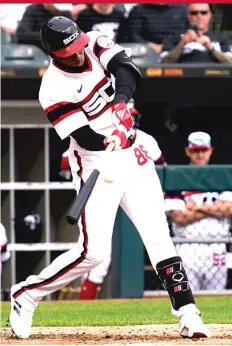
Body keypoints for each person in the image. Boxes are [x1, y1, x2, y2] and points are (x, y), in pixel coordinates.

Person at [9, 16, 210, 339]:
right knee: (94, 252)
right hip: (94, 160)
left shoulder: (94, 40)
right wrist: (106, 140)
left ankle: (188, 312)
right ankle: (27, 294)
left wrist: (120, 104)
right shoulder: (52, 89)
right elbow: (84, 137)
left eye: (78, 47)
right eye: (69, 51)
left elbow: (127, 70)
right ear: (53, 52)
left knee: (158, 234)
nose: (78, 54)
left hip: (131, 155)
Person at [59, 100, 167, 299]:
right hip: (103, 194)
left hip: (133, 196)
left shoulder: (145, 139)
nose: (129, 119)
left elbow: (161, 166)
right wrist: (102, 150)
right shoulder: (99, 134)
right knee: (98, 257)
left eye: (132, 115)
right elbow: (65, 160)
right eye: (126, 115)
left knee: (157, 245)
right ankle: (81, 310)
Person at [165, 132, 232, 290]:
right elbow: (179, 217)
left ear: (210, 150)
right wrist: (215, 209)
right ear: (188, 151)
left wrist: (196, 207)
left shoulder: (223, 177)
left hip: (217, 244)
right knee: (188, 296)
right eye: (195, 151)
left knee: (216, 299)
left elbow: (228, 209)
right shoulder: (178, 178)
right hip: (187, 245)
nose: (200, 154)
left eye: (203, 150)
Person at [161, 3, 232, 63]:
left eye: (203, 13)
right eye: (194, 13)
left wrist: (211, 48)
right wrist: (182, 44)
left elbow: (230, 62)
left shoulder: (220, 37)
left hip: (214, 77)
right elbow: (163, 62)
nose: (199, 16)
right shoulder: (175, 37)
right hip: (184, 77)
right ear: (188, 16)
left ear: (209, 15)